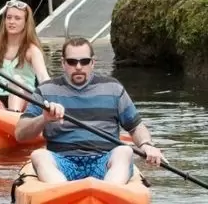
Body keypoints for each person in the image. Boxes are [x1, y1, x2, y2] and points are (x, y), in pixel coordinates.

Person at [14, 37, 163, 185]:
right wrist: (44, 118)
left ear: (92, 63)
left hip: (104, 160)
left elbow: (135, 126)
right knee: (39, 155)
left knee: (124, 151)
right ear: (63, 63)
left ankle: (108, 193)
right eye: (72, 62)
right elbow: (20, 134)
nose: (78, 67)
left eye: (84, 61)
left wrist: (146, 145)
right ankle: (65, 194)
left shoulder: (113, 88)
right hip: (62, 161)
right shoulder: (45, 90)